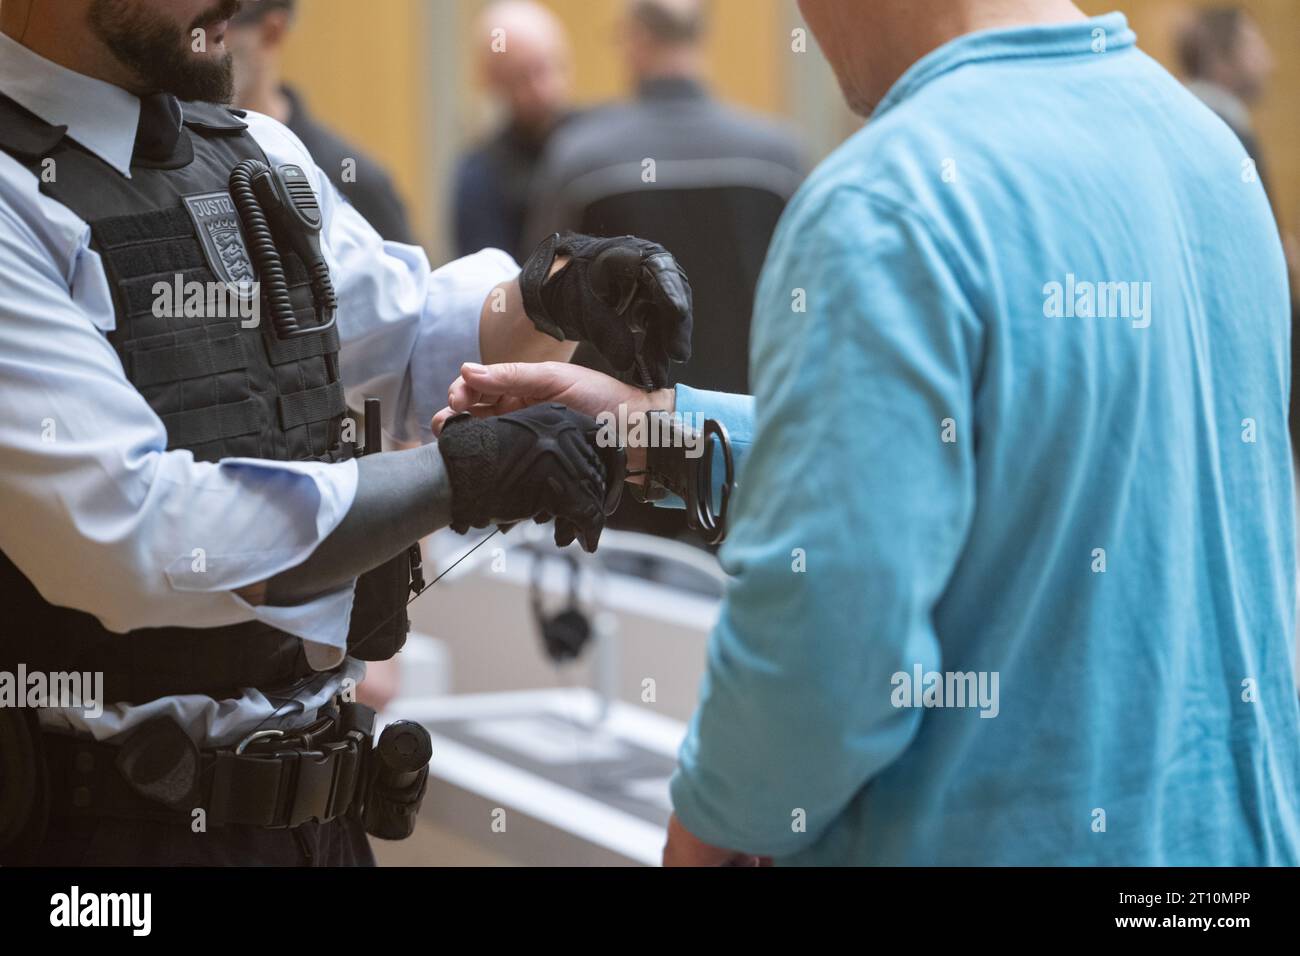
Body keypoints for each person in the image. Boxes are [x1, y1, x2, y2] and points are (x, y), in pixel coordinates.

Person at [437, 0, 1300, 865]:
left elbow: (830, 651)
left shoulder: (890, 199)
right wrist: (656, 429)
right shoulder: (1209, 151)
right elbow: (1002, 463)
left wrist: (709, 827)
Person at [0, 0, 689, 866]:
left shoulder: (254, 151)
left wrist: (554, 292)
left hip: (321, 821)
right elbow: (138, 530)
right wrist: (461, 479)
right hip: (109, 839)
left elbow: (410, 343)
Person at [525, 0, 804, 396]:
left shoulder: (581, 160)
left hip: (619, 435)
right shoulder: (779, 161)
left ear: (638, 38)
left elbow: (541, 305)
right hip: (748, 428)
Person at [226, 0, 414, 244]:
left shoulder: (351, 178)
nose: (200, 45)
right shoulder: (178, 158)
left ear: (272, 33)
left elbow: (404, 279)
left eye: (218, 27)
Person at [453, 0, 577, 263]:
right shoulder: (480, 175)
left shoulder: (598, 146)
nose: (541, 89)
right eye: (522, 77)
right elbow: (488, 282)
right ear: (493, 83)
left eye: (546, 68)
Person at [1176, 6, 1275, 194]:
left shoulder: (1180, 122)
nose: (1269, 62)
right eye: (1252, 46)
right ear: (1218, 60)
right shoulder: (1230, 138)